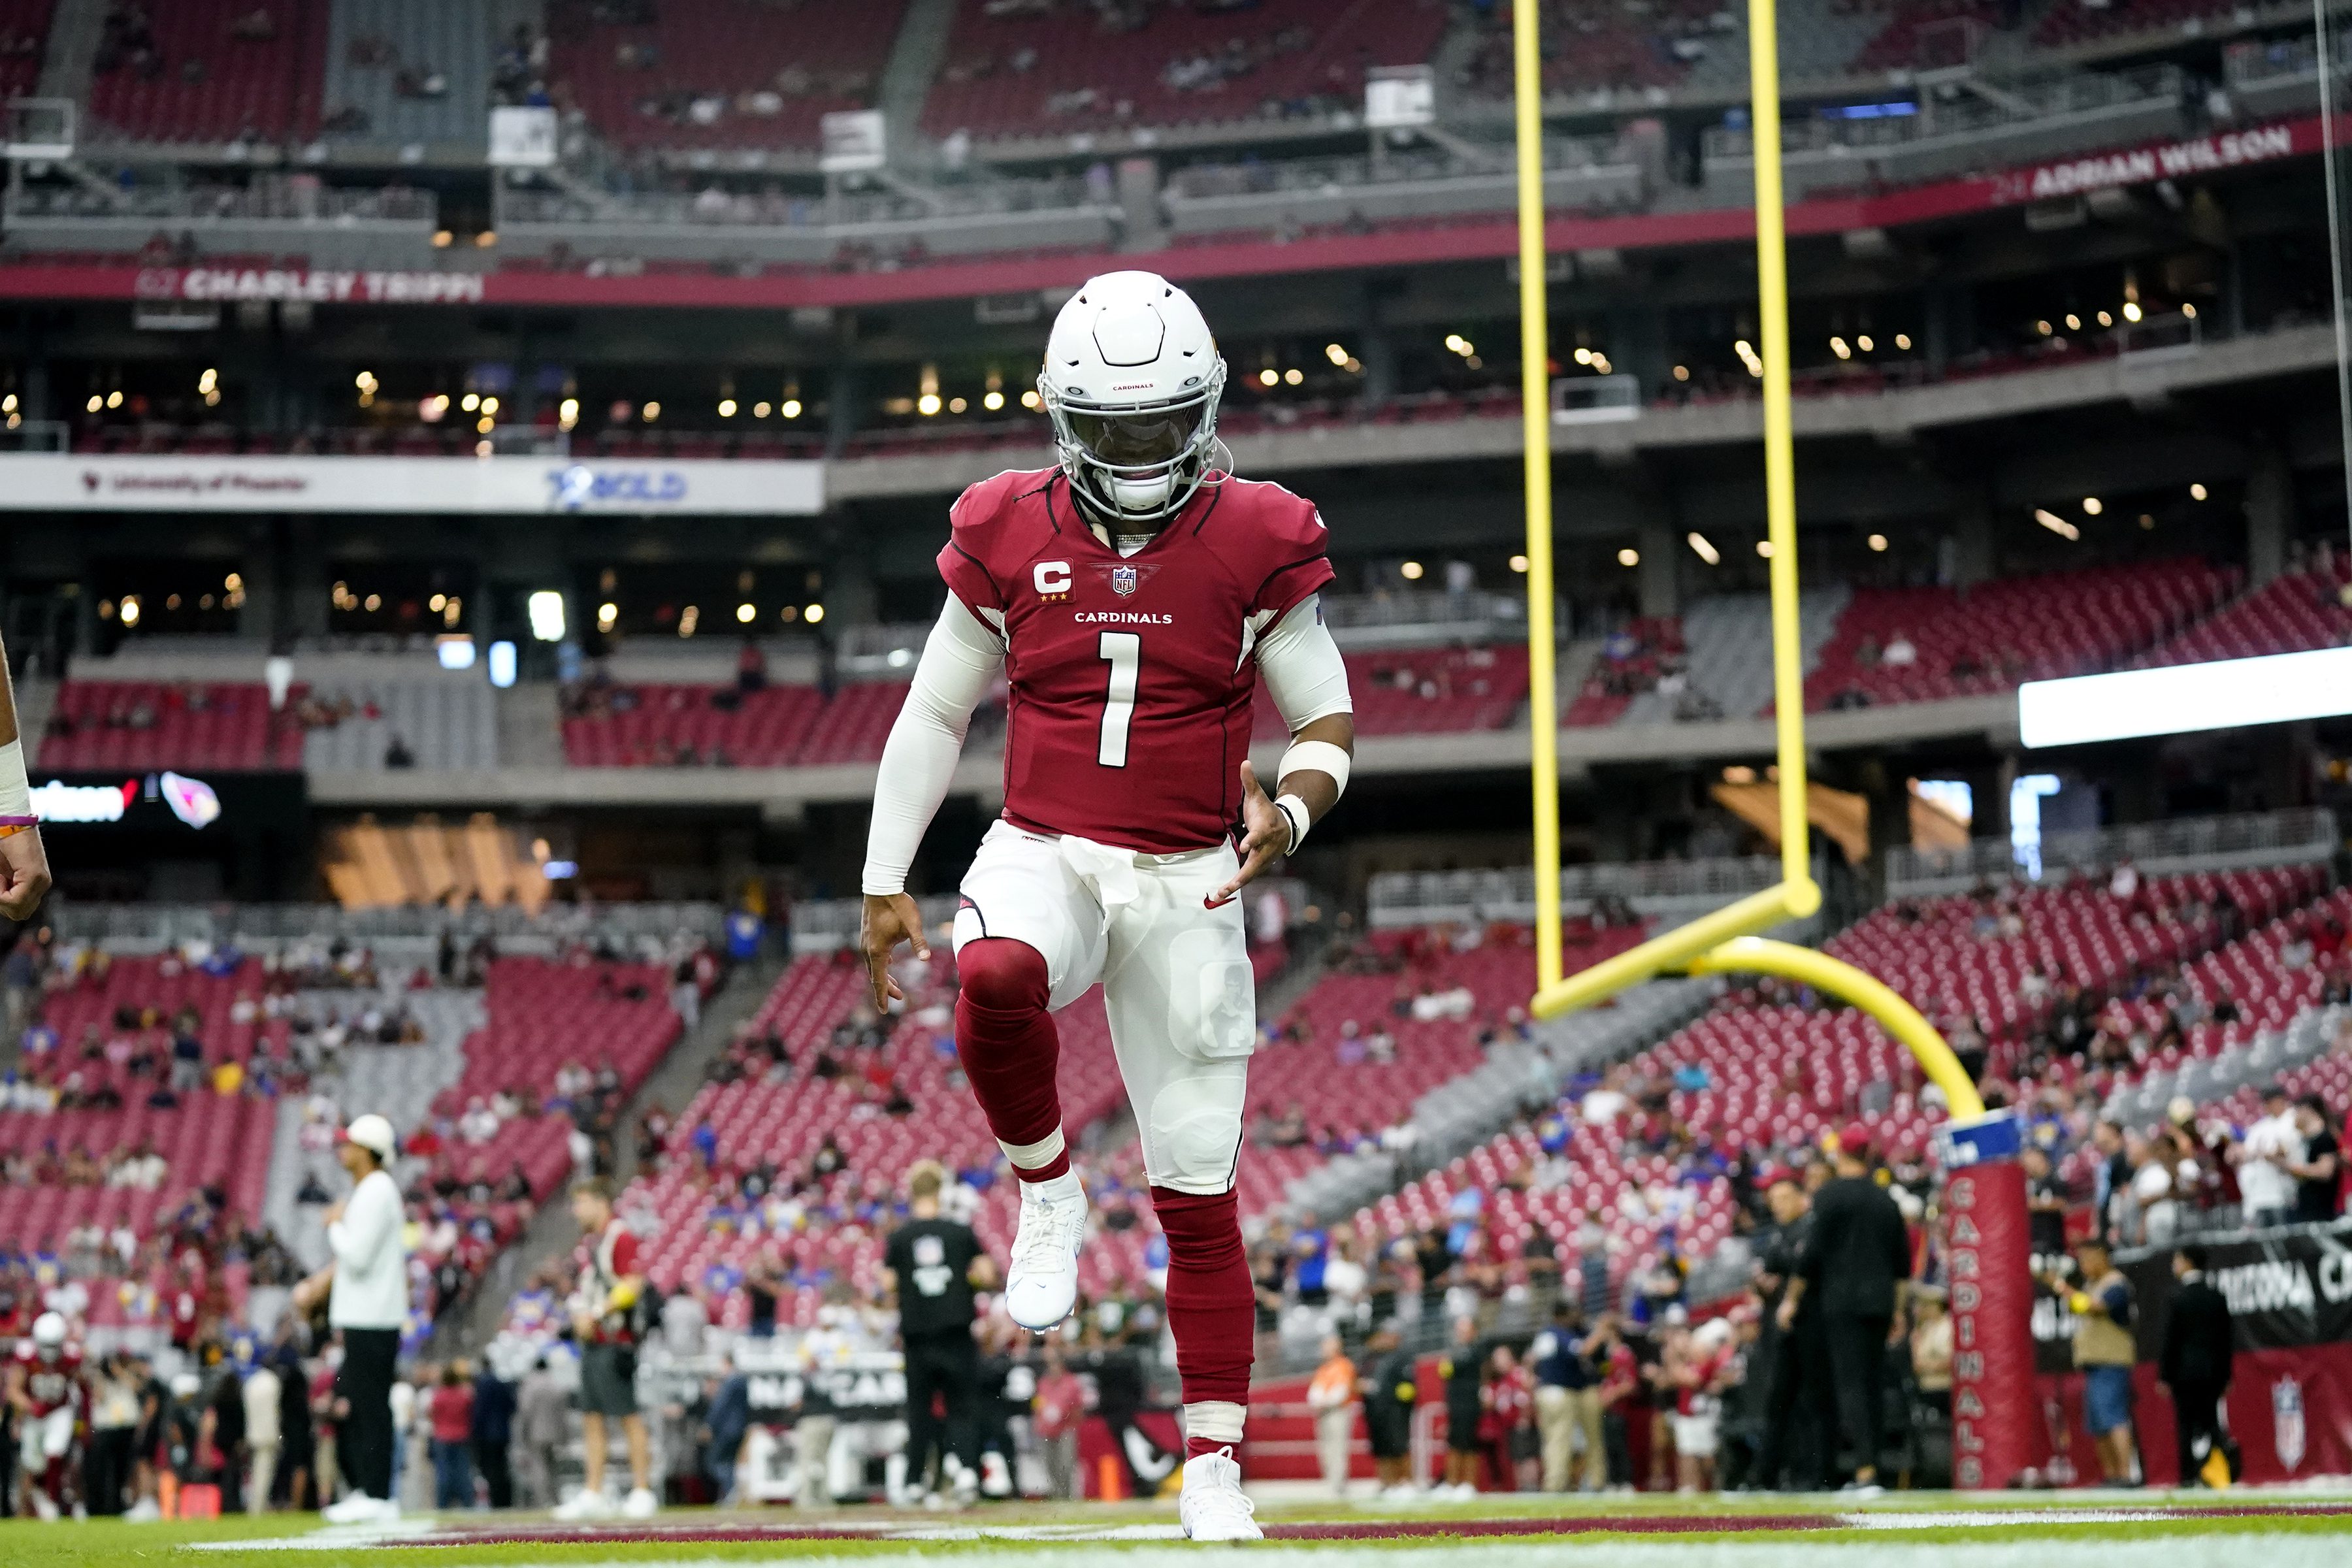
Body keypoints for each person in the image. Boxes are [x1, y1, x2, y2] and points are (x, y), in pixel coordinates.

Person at [858, 270, 1355, 1544]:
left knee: (1199, 1196)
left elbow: (1326, 717)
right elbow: (933, 708)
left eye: (1158, 427)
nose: (1139, 455)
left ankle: (1212, 1470)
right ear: (1061, 418)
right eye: (1117, 430)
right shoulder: (1007, 525)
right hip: (1047, 848)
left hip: (1190, 877)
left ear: (1205, 412)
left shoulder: (1257, 531)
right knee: (995, 976)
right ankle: (1048, 1186)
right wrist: (882, 877)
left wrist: (1288, 812)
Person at [1780, 1127, 1909, 1497]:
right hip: (1881, 1302)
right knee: (1873, 1382)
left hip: (1842, 1302)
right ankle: (1875, 1468)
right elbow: (1902, 1265)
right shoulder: (1887, 1199)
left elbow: (1811, 1255)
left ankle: (1866, 1471)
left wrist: (1791, 1300)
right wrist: (1898, 1311)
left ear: (1841, 1155)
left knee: (1851, 1383)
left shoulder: (1830, 1196)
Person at [292, 1113, 406, 1526]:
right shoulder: (372, 1189)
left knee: (370, 1406)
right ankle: (368, 1490)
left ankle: (377, 1493)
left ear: (367, 1150)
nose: (343, 1150)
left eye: (350, 1144)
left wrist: (335, 1225)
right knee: (361, 1405)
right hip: (367, 1315)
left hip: (374, 1317)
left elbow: (356, 1257)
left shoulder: (376, 1189)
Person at [881, 1160, 996, 1505]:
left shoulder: (900, 1236)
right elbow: (986, 1273)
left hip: (917, 1335)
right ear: (940, 1190)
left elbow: (887, 1282)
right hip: (956, 1331)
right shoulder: (959, 1231)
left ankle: (916, 1480)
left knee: (919, 1409)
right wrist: (960, 1280)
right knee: (962, 1404)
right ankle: (964, 1471)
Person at [556, 1177, 659, 1520]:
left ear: (601, 1202)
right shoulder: (595, 1241)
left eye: (581, 1202)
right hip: (595, 1342)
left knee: (628, 1416)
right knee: (592, 1418)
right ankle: (593, 1491)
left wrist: (598, 1313)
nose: (576, 1211)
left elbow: (633, 1283)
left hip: (615, 1341)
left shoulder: (620, 1236)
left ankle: (643, 1490)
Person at [1750, 1176, 1833, 1492]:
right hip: (1782, 1331)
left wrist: (1786, 1294)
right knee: (1778, 1403)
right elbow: (1768, 1274)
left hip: (1812, 1324)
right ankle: (1766, 1477)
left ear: (1802, 1198)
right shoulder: (1778, 1235)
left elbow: (1805, 1268)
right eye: (1773, 1200)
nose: (1778, 1205)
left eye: (1784, 1197)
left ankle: (1820, 1477)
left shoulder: (1812, 1228)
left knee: (1816, 1401)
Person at [2052, 1236, 2138, 1485]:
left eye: (2088, 1259)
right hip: (2095, 1364)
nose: (2083, 1265)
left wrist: (2061, 1287)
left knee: (2114, 1419)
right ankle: (2112, 1475)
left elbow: (2095, 1308)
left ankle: (2125, 1473)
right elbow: (2079, 1306)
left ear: (2102, 1257)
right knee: (2099, 1423)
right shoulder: (2092, 1284)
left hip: (2111, 1361)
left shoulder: (2116, 1284)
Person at [2159, 1246, 2236, 1487]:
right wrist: (2226, 1376)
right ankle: (2221, 1470)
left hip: (2184, 1371)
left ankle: (2188, 1476)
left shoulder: (2176, 1296)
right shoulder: (2216, 1295)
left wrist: (2165, 1375)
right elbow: (2226, 1340)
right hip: (2213, 1370)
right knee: (2211, 1421)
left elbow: (2171, 1340)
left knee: (2186, 1424)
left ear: (2187, 1262)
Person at [8, 1311, 85, 1520]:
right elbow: (13, 1390)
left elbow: (83, 1385)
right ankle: (27, 1509)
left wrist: (83, 1421)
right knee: (33, 1464)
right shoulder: (27, 1355)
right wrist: (30, 1406)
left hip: (59, 1410)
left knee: (54, 1451)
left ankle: (54, 1501)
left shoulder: (71, 1355)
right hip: (34, 1415)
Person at [1529, 1299, 1601, 1494]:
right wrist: (1601, 1332)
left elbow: (1530, 1360)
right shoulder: (1560, 1334)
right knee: (1561, 1439)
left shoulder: (1545, 1334)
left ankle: (1555, 1482)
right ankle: (1556, 1484)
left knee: (1552, 1440)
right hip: (1561, 1391)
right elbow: (1583, 1350)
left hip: (1546, 1390)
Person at [1359, 1322, 1417, 1499]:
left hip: (1396, 1409)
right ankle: (1388, 1483)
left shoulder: (1402, 1356)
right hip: (1375, 1409)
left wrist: (1397, 1397)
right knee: (1382, 1448)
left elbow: (1408, 1386)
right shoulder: (1371, 1358)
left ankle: (1406, 1482)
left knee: (1399, 1447)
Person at [2234, 1087, 2304, 1228]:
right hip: (2261, 1193)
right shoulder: (2261, 1127)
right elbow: (2245, 1152)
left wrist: (2263, 1154)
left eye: (2269, 1102)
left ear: (2280, 1100)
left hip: (2288, 1189)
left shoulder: (2294, 1119)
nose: (2266, 1106)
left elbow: (2284, 1151)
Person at [1437, 1315, 1484, 1499]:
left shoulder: (1476, 1349)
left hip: (1470, 1403)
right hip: (1456, 1404)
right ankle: (1451, 1483)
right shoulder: (1458, 1349)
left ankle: (1469, 1483)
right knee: (1454, 1442)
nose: (1460, 1334)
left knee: (1469, 1443)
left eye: (1465, 1330)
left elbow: (1450, 1368)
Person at [1305, 1332, 1357, 1498]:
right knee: (1326, 1449)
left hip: (1338, 1411)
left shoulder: (1344, 1365)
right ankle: (1331, 1482)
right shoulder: (1324, 1368)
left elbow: (1341, 1392)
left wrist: (1322, 1401)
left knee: (1337, 1448)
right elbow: (1315, 1390)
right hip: (1324, 1412)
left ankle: (1339, 1485)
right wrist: (1317, 1401)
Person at [1033, 1344, 1087, 1502]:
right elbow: (1037, 1404)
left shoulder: (1071, 1383)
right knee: (1050, 1465)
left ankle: (1068, 1497)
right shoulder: (1043, 1383)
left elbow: (1079, 1409)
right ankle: (1057, 1495)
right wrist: (1042, 1417)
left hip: (1066, 1429)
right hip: (1046, 1430)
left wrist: (1065, 1415)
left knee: (1066, 1464)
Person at [513, 1358, 568, 1511]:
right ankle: (556, 1499)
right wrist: (564, 1436)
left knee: (539, 1467)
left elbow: (525, 1412)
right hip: (555, 1433)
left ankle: (543, 1500)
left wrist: (522, 1435)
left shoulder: (530, 1386)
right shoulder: (557, 1386)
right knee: (553, 1468)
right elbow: (563, 1415)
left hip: (535, 1433)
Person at [470, 1358, 515, 1510]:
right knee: (502, 1467)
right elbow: (511, 1406)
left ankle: (495, 1500)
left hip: (487, 1434)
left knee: (490, 1468)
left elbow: (480, 1411)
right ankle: (505, 1500)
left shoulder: (481, 1384)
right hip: (502, 1432)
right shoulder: (501, 1383)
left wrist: (476, 1431)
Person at [427, 1363, 474, 1510]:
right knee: (463, 1472)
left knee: (443, 1472)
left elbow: (431, 1414)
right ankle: (467, 1502)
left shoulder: (439, 1397)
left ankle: (443, 1503)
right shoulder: (465, 1396)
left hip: (442, 1437)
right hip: (462, 1436)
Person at [2290, 1096, 2342, 1223]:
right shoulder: (2305, 1140)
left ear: (2307, 1110)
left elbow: (2325, 1172)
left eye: (2297, 1111)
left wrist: (2295, 1169)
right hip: (2308, 1206)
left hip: (2322, 1208)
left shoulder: (2325, 1137)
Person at [242, 1351, 281, 1513]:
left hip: (253, 1432)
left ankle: (257, 1505)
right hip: (269, 1433)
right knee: (264, 1472)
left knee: (256, 1471)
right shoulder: (273, 1381)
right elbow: (276, 1409)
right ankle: (258, 1506)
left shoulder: (250, 1382)